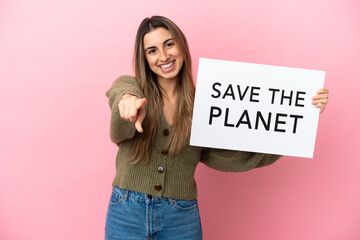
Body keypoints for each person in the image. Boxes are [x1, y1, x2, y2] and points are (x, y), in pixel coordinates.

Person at [104, 16, 329, 240]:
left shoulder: (206, 104)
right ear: (144, 58)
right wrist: (126, 101)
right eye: (152, 50)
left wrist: (302, 118)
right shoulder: (132, 90)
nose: (163, 56)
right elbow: (120, 106)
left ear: (181, 46)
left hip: (180, 218)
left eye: (169, 44)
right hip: (126, 212)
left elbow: (233, 157)